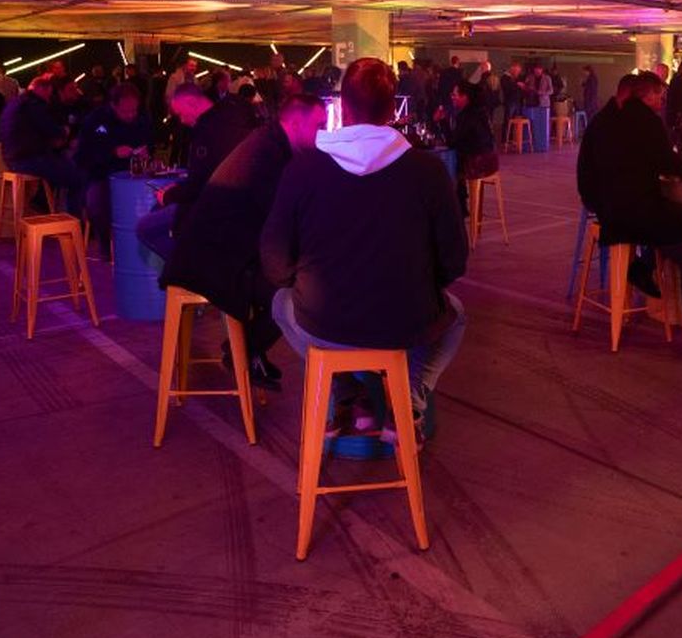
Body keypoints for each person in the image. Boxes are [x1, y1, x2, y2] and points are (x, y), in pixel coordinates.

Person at [262, 58, 469, 443]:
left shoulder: (302, 170)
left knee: (280, 303)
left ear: (341, 107)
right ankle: (408, 402)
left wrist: (304, 280)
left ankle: (347, 391)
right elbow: (454, 261)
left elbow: (274, 261)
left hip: (325, 322)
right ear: (392, 111)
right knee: (454, 315)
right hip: (405, 321)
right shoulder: (428, 171)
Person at [576, 71, 682, 360]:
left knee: (678, 219)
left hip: (606, 211)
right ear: (647, 95)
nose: (662, 100)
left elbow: (587, 170)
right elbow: (666, 160)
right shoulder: (646, 121)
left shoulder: (602, 120)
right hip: (634, 214)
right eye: (659, 95)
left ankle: (642, 266)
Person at [165, 94, 327, 389]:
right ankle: (246, 351)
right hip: (215, 262)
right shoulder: (269, 154)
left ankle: (247, 351)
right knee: (298, 293)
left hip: (222, 253)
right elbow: (281, 221)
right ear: (295, 122)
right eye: (319, 125)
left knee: (293, 281)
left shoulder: (271, 144)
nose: (323, 133)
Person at [135, 81, 260, 259]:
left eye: (181, 114)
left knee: (146, 227)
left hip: (216, 207)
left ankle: (186, 268)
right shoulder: (234, 117)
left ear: (191, 103)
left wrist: (170, 195)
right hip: (242, 202)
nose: (182, 120)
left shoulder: (209, 130)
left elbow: (201, 182)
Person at [75, 82, 151, 253]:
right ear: (113, 106)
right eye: (125, 111)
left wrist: (145, 153)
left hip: (133, 175)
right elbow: (83, 155)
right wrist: (113, 152)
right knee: (98, 202)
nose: (131, 115)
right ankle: (106, 246)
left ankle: (141, 246)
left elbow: (149, 145)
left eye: (134, 110)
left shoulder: (142, 120)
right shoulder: (96, 120)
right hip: (101, 175)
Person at [0, 73, 85, 215]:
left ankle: (42, 203)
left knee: (60, 163)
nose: (48, 99)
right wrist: (65, 130)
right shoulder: (34, 104)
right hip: (27, 159)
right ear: (41, 89)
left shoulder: (16, 102)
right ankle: (74, 221)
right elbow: (51, 130)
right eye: (48, 95)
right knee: (77, 176)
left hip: (12, 158)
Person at [443, 81, 498, 217]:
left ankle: (456, 208)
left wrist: (442, 121)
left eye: (455, 94)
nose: (452, 97)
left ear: (465, 97)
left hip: (476, 163)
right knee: (458, 160)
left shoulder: (466, 116)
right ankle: (461, 206)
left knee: (449, 166)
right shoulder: (481, 112)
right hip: (490, 161)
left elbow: (452, 142)